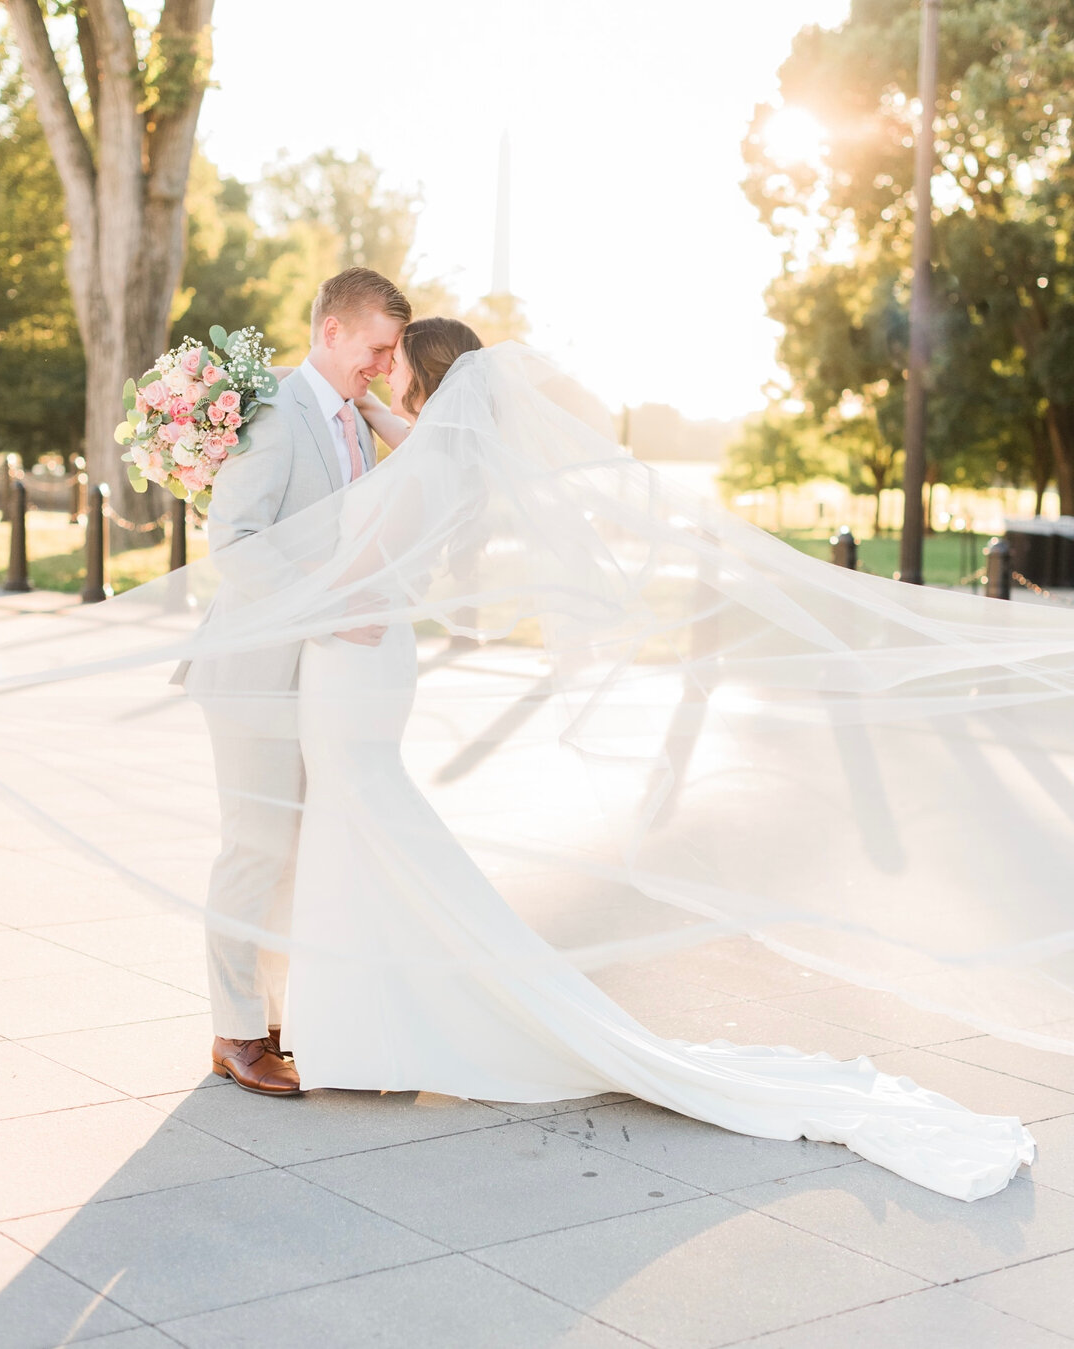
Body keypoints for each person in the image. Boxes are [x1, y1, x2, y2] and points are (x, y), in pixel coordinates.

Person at [267, 318, 1035, 1201]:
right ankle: (374, 1029)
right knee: (370, 830)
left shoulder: (430, 458)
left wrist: (287, 598)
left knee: (363, 825)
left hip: (352, 656)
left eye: (391, 359)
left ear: (421, 373)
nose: (379, 367)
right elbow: (418, 453)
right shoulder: (450, 450)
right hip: (373, 664)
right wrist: (369, 407)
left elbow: (357, 568)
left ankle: (374, 1030)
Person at [189, 266, 411, 1097]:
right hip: (254, 671)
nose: (386, 365)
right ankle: (236, 1032)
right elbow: (236, 540)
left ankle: (277, 1018)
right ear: (332, 331)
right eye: (378, 348)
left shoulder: (356, 418)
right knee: (254, 849)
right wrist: (322, 613)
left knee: (295, 857)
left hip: (317, 682)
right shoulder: (278, 415)